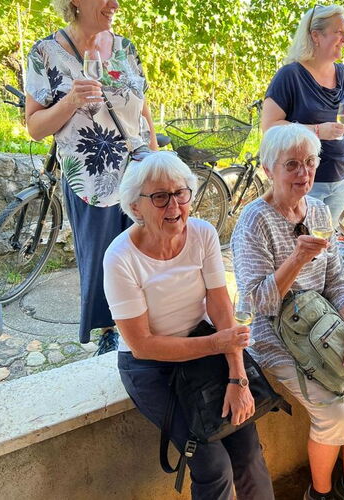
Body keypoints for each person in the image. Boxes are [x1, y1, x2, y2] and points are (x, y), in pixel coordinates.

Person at [103, 151, 274, 500]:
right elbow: (142, 345)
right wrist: (217, 344)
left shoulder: (202, 234)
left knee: (248, 450)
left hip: (203, 346)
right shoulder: (120, 258)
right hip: (151, 367)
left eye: (180, 193)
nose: (174, 206)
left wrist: (237, 377)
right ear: (136, 207)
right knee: (212, 464)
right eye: (160, 197)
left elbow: (220, 306)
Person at [231, 124, 344, 500]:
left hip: (323, 325)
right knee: (334, 415)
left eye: (310, 162)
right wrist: (297, 258)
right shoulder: (253, 223)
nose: (304, 172)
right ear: (268, 169)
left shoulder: (318, 211)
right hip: (274, 335)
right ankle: (320, 493)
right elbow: (258, 304)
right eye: (292, 165)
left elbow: (337, 282)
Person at [25, 0, 157, 354]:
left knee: (147, 253)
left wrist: (156, 157)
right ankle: (108, 332)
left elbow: (142, 106)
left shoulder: (125, 47)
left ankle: (151, 325)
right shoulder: (45, 53)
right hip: (91, 178)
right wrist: (70, 100)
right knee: (102, 260)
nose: (115, 4)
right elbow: (35, 128)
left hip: (138, 171)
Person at [261, 4, 344, 224]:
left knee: (327, 240)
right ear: (316, 35)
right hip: (303, 183)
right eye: (339, 32)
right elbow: (270, 127)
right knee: (299, 240)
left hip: (342, 180)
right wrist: (317, 131)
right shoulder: (290, 76)